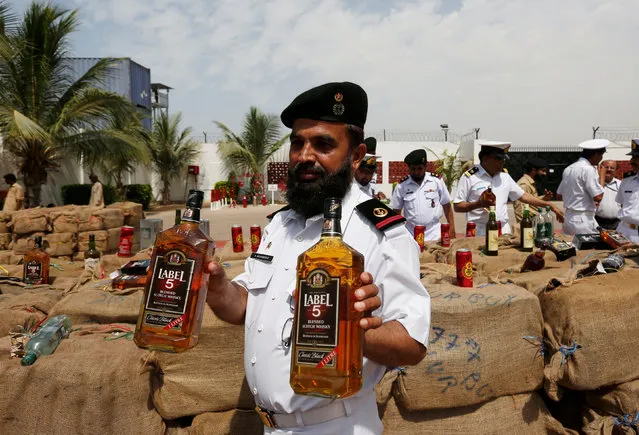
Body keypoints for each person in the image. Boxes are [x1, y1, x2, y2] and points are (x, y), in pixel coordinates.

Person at [204, 82, 430, 434]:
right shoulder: (282, 224)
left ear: (356, 156)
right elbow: (245, 307)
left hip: (336, 426)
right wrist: (216, 286)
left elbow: (412, 344)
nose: (304, 155)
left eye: (323, 144)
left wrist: (354, 331)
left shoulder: (382, 231)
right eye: (297, 143)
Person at [453, 141, 563, 236]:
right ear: (485, 159)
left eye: (503, 159)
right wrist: (478, 204)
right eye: (498, 159)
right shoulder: (470, 177)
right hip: (479, 231)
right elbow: (457, 206)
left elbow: (523, 196)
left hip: (503, 229)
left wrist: (550, 205)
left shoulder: (504, 176)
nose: (502, 162)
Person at [390, 149, 456, 240]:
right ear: (408, 168)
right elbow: (396, 211)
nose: (416, 172)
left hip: (434, 233)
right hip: (411, 234)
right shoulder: (402, 185)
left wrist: (452, 229)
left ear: (426, 166)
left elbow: (447, 205)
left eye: (419, 168)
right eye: (413, 169)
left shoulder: (436, 181)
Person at [556, 139, 608, 235]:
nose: (601, 158)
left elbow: (559, 195)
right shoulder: (588, 169)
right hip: (582, 219)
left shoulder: (569, 168)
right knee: (587, 248)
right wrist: (602, 176)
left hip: (569, 217)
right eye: (601, 155)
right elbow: (598, 197)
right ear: (596, 154)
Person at [513, 157, 553, 223]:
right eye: (543, 171)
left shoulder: (530, 183)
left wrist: (544, 198)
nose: (545, 173)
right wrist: (526, 226)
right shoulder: (524, 184)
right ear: (534, 170)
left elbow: (531, 200)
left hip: (534, 220)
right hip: (528, 224)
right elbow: (519, 209)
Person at [615, 140, 639, 243]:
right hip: (624, 231)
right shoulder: (626, 182)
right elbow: (622, 204)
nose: (632, 161)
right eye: (632, 157)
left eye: (637, 158)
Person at [595, 160, 620, 230]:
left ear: (616, 170)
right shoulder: (594, 184)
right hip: (597, 222)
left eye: (612, 168)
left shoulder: (621, 184)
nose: (609, 169)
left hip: (617, 223)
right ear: (600, 169)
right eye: (606, 167)